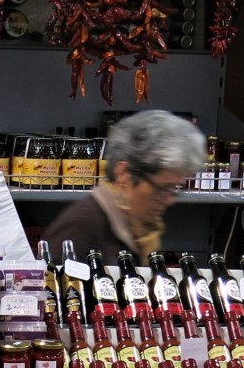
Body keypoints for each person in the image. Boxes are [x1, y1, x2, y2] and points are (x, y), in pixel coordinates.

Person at [45, 110, 207, 263]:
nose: (170, 200)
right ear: (123, 174)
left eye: (176, 189)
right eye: (162, 189)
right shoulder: (79, 228)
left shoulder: (142, 230)